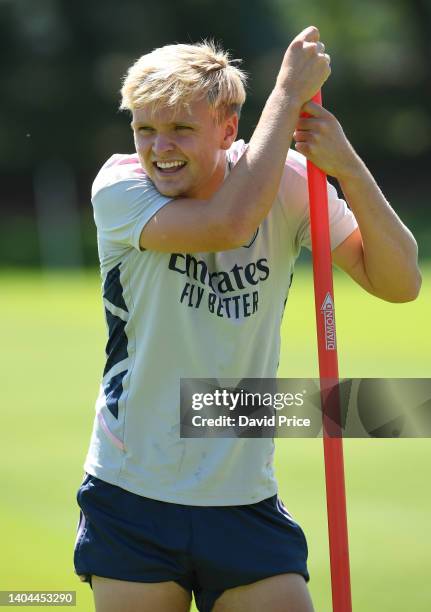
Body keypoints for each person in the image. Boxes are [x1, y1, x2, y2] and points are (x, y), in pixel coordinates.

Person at [73, 26, 421, 612]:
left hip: (242, 495)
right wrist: (288, 92)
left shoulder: (283, 180)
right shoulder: (121, 186)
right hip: (134, 490)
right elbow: (230, 224)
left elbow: (399, 281)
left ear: (228, 128)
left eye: (181, 128)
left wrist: (347, 168)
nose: (159, 148)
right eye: (144, 129)